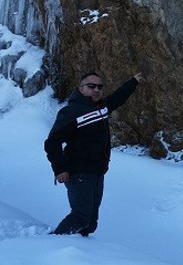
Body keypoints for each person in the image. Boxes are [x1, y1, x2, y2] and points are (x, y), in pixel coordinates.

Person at [44, 71, 144, 236]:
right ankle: (53, 243)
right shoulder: (71, 112)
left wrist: (133, 81)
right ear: (81, 88)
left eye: (99, 87)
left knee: (90, 222)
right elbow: (52, 142)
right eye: (91, 86)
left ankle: (79, 253)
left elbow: (117, 98)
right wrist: (60, 169)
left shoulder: (101, 108)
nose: (96, 89)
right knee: (81, 217)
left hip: (97, 172)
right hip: (78, 172)